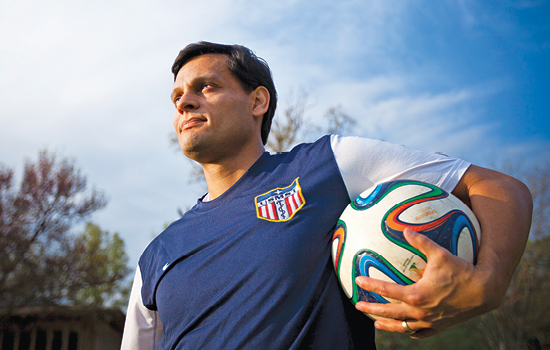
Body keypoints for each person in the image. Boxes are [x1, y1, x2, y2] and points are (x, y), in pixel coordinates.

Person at [121, 42, 533, 350]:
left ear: (257, 101)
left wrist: (490, 281)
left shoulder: (328, 165)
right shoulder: (155, 256)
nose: (185, 102)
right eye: (177, 98)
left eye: (205, 86)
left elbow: (499, 188)